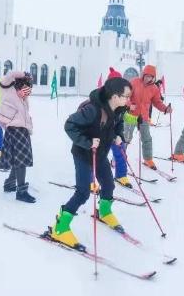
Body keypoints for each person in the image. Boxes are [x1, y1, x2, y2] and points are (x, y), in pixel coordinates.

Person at [48, 77, 132, 249]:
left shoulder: (119, 109)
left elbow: (118, 125)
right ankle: (60, 227)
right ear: (114, 96)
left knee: (108, 185)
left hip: (100, 154)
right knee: (83, 192)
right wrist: (87, 142)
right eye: (125, 96)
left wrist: (118, 136)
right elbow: (69, 125)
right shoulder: (93, 110)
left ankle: (104, 212)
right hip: (83, 154)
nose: (127, 99)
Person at [0, 72, 35, 203]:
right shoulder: (7, 89)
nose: (26, 92)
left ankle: (10, 183)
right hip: (14, 129)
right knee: (21, 159)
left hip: (21, 129)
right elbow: (10, 75)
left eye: (29, 90)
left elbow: (25, 115)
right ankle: (21, 191)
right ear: (18, 85)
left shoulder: (24, 99)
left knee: (17, 158)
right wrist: (23, 74)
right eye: (25, 88)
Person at [124, 65, 172, 170]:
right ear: (143, 75)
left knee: (147, 138)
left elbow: (157, 102)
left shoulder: (154, 88)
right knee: (126, 137)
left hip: (144, 116)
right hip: (131, 114)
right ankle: (119, 157)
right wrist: (129, 105)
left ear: (153, 77)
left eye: (150, 76)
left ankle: (148, 159)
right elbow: (126, 96)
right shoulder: (134, 82)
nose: (148, 78)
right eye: (146, 76)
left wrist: (165, 109)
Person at [105, 67, 131, 188]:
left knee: (121, 150)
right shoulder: (102, 100)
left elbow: (120, 120)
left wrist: (119, 134)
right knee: (97, 156)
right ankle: (89, 180)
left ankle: (121, 175)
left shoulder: (122, 101)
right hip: (100, 134)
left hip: (114, 133)